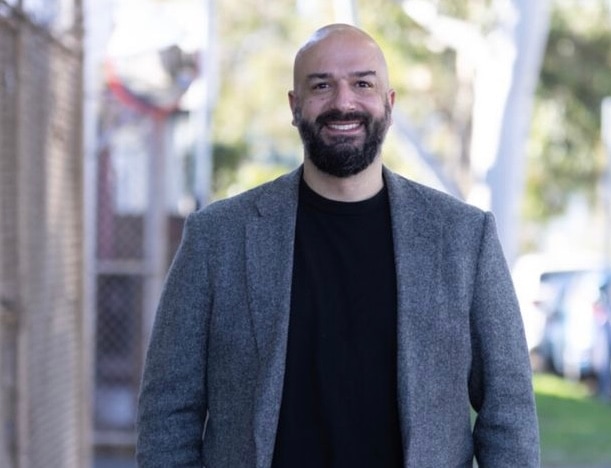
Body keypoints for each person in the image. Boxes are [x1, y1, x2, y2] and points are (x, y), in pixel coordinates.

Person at [136, 23, 540, 467]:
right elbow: (168, 411)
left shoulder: (464, 238)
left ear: (389, 103)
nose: (343, 102)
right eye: (321, 86)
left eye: (362, 84)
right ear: (294, 106)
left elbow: (509, 413)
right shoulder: (217, 238)